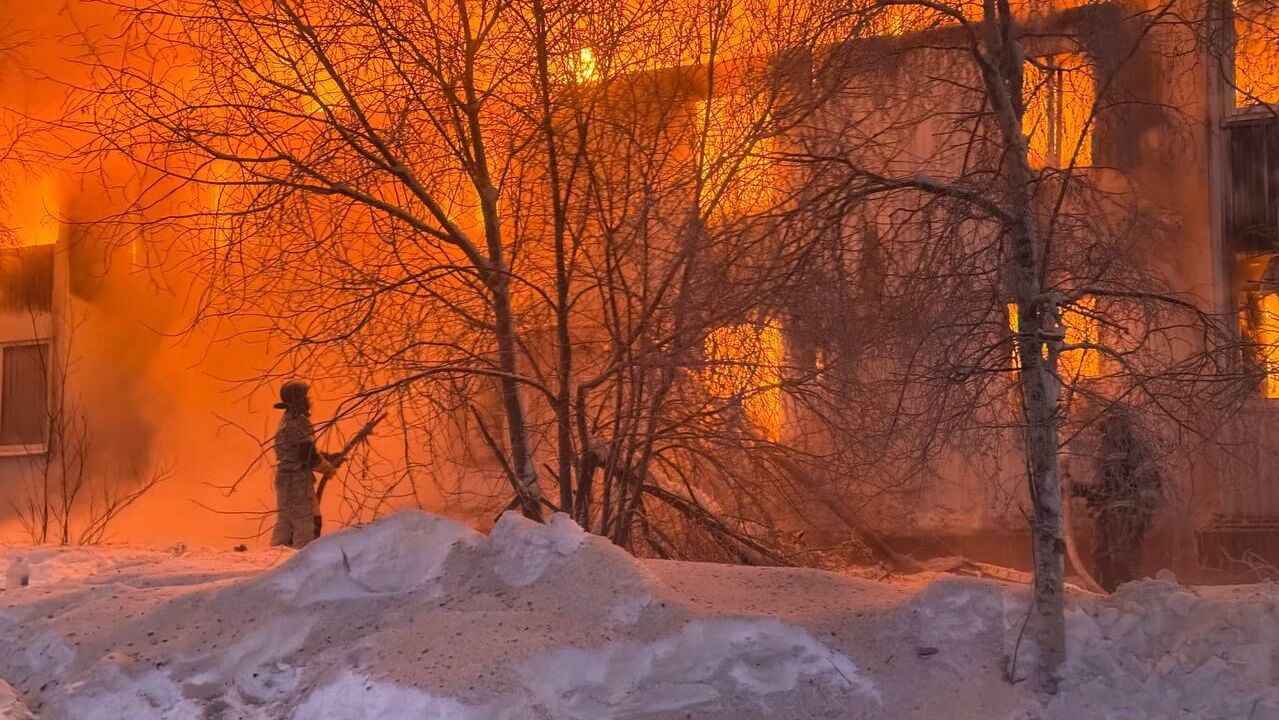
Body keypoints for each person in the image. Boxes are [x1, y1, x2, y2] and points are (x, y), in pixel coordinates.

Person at [1071, 407, 1163, 592]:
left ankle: (1130, 607)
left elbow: (1147, 482)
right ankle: (1106, 608)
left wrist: (1141, 516)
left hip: (1126, 518)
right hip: (1106, 518)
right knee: (1101, 563)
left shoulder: (1135, 450)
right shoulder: (1104, 454)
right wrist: (1076, 488)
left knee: (1122, 563)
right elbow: (1103, 490)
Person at [269, 381, 337, 549]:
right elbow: (307, 455)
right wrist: (328, 468)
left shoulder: (285, 420)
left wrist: (326, 457)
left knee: (285, 523)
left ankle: (275, 560)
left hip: (284, 478)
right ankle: (302, 565)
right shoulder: (300, 422)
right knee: (305, 525)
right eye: (305, 397)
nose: (309, 401)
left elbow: (300, 450)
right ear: (299, 400)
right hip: (297, 480)